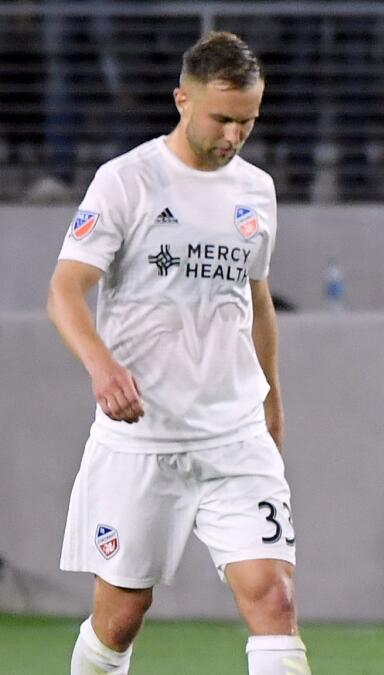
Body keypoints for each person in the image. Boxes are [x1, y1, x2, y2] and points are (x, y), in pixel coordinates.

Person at [46, 32, 309, 675]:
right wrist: (103, 366)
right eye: (221, 119)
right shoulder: (126, 181)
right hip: (143, 438)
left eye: (247, 122)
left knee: (274, 600)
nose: (233, 136)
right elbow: (64, 290)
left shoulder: (257, 190)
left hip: (234, 433)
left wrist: (271, 403)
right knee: (121, 616)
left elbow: (256, 299)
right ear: (182, 101)